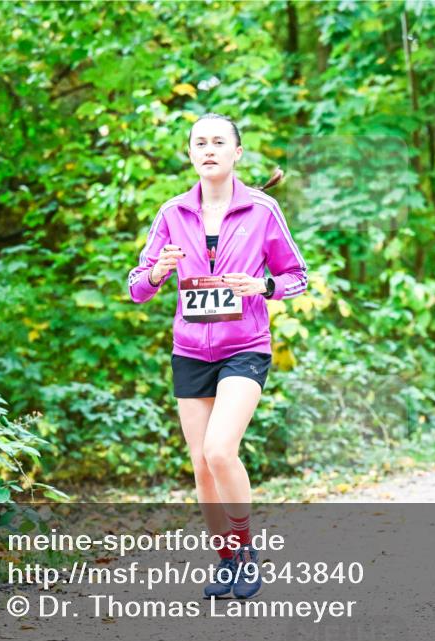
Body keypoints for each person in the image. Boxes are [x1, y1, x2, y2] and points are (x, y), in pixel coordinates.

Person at [127, 113, 307, 600]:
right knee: (201, 467)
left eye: (218, 142)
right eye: (199, 142)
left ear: (236, 153)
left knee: (220, 450)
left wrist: (263, 285)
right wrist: (159, 271)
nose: (209, 149)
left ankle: (247, 551)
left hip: (245, 347)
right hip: (190, 350)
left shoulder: (262, 210)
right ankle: (226, 559)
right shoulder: (171, 213)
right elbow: (136, 288)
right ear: (190, 154)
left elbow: (297, 276)